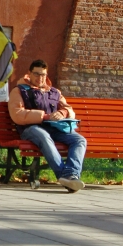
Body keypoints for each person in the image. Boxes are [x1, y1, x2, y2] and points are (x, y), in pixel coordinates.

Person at [9, 59, 87, 192]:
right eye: (36, 74)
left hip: (55, 128)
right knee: (44, 136)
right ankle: (65, 177)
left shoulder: (54, 92)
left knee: (79, 140)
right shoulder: (19, 91)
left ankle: (71, 174)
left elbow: (69, 109)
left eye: (43, 74)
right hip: (30, 128)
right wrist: (45, 116)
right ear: (29, 73)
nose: (40, 78)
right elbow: (18, 114)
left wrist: (63, 112)